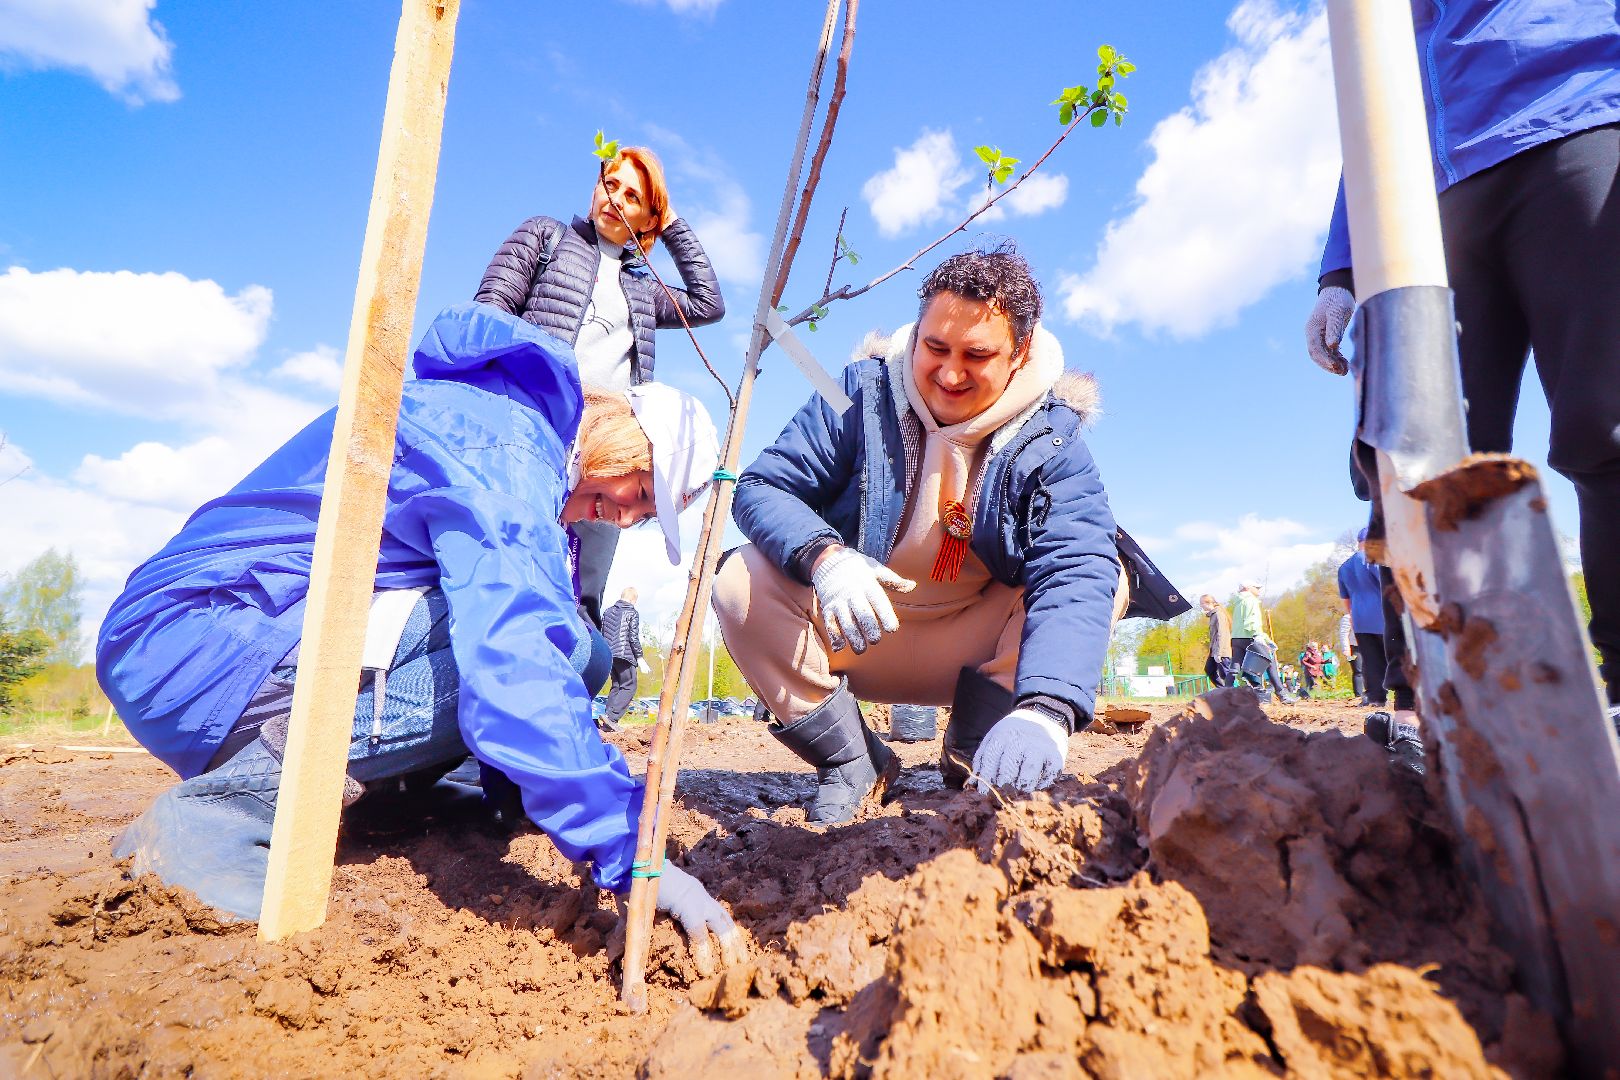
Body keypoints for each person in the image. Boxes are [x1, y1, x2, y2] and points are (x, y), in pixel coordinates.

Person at [97, 304, 742, 970]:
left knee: (583, 648)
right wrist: (629, 854)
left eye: (644, 516)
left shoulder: (508, 429)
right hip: (200, 639)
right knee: (550, 648)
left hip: (226, 638)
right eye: (640, 490)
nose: (627, 516)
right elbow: (516, 659)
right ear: (624, 437)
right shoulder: (507, 448)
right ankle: (215, 820)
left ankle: (406, 793)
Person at [713, 245, 1175, 823]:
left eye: (977, 355)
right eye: (935, 348)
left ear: (1019, 353)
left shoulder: (1053, 436)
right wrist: (828, 558)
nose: (951, 374)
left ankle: (977, 748)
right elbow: (763, 487)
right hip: (858, 627)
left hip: (974, 647)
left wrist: (1048, 708)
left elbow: (1076, 563)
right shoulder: (854, 393)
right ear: (916, 336)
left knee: (1107, 573)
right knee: (741, 578)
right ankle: (852, 761)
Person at [1306, 5, 1620, 724]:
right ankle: (1444, 707)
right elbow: (1371, 108)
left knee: (1605, 422)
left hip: (1577, 124)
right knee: (1412, 470)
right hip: (1423, 200)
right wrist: (1339, 270)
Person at [476, 146, 726, 631]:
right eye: (610, 184)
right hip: (532, 437)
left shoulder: (641, 289)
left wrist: (670, 220)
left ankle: (568, 695)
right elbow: (488, 317)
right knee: (507, 569)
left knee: (581, 598)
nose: (616, 200)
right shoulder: (546, 237)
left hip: (610, 461)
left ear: (647, 216)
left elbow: (707, 302)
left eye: (634, 196)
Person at [1337, 529, 1388, 708]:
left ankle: (1374, 697)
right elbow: (1387, 588)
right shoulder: (1376, 560)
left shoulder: (1344, 567)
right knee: (1396, 654)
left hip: (1359, 618)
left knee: (1370, 659)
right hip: (1383, 615)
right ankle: (1407, 694)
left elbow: (1346, 600)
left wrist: (1352, 618)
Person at [1230, 582, 1295, 703]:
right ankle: (1281, 694)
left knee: (1235, 667)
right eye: (1256, 587)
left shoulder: (1238, 602)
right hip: (1250, 637)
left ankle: (1224, 695)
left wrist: (1266, 638)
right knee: (1269, 662)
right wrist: (1258, 636)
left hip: (1236, 638)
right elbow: (1251, 621)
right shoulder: (1251, 600)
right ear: (1248, 588)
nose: (1259, 589)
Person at [598, 587, 649, 732]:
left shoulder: (607, 611)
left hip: (609, 655)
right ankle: (612, 718)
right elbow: (632, 637)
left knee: (616, 685)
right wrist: (639, 657)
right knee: (629, 685)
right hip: (625, 655)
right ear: (633, 600)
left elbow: (602, 634)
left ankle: (608, 720)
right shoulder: (632, 612)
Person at [1200, 594, 1233, 688]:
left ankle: (1234, 694)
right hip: (1214, 650)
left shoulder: (1219, 614)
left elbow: (1221, 634)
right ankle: (1223, 690)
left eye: (1201, 603)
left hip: (1222, 650)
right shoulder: (1213, 615)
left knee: (1225, 674)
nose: (1201, 606)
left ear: (1208, 603)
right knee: (1209, 669)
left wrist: (1219, 652)